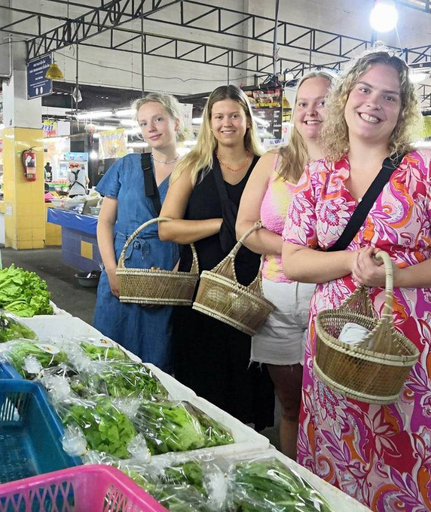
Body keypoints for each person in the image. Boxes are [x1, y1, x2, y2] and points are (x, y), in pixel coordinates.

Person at [281, 50, 431, 511]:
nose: (374, 103)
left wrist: (397, 274)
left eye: (390, 96)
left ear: (403, 110)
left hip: (415, 343)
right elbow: (292, 261)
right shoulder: (318, 175)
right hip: (337, 338)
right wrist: (351, 263)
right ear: (345, 97)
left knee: (414, 450)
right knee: (338, 442)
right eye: (365, 89)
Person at [159, 85, 275, 430]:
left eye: (234, 116)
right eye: (219, 116)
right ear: (209, 123)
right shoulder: (194, 166)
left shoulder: (267, 167)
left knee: (248, 383)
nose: (227, 123)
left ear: (247, 122)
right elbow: (166, 228)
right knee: (203, 382)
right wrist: (223, 225)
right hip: (201, 296)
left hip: (253, 294)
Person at [236, 71, 334, 459]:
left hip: (332, 297)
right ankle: (299, 480)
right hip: (275, 298)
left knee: (333, 405)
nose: (311, 112)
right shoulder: (273, 161)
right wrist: (297, 251)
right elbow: (245, 227)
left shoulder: (354, 164)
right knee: (290, 404)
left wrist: (315, 261)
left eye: (322, 102)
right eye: (303, 104)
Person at [93, 92, 185, 371]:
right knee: (113, 352)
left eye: (158, 119)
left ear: (176, 122)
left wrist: (175, 278)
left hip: (168, 267)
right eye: (144, 123)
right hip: (123, 266)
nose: (151, 128)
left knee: (160, 354)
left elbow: (193, 229)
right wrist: (110, 270)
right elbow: (105, 222)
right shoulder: (126, 165)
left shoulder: (194, 169)